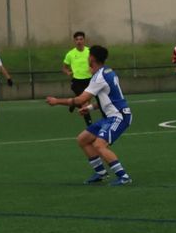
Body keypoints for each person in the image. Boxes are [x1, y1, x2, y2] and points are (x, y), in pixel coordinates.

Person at [45, 45, 133, 185]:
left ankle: (124, 177)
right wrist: (91, 107)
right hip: (110, 116)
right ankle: (101, 173)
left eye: (88, 55)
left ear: (92, 58)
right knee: (83, 139)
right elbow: (108, 99)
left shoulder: (99, 77)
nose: (87, 58)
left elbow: (80, 100)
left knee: (99, 145)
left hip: (119, 116)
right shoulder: (108, 71)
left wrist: (56, 101)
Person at [61, 31, 93, 123]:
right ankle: (90, 125)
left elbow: (95, 63)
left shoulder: (90, 51)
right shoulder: (70, 54)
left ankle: (74, 104)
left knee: (86, 102)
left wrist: (93, 69)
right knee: (85, 103)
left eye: (81, 39)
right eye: (77, 39)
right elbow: (64, 67)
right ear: (74, 41)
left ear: (84, 40)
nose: (79, 41)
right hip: (77, 82)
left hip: (89, 80)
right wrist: (67, 72)